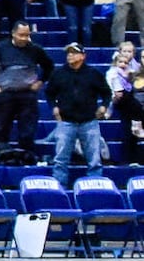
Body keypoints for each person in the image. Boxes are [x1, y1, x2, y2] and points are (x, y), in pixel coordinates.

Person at [45, 43, 112, 187]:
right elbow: (49, 93)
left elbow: (107, 92)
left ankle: (94, 186)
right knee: (60, 158)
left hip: (89, 121)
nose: (70, 55)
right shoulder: (59, 73)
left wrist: (104, 106)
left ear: (83, 56)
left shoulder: (93, 74)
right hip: (66, 121)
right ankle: (59, 186)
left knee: (94, 159)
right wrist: (54, 107)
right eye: (68, 53)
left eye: (74, 53)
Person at [0, 21, 55, 153]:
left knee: (27, 129)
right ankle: (0, 153)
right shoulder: (1, 48)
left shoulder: (35, 49)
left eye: (27, 35)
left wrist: (40, 82)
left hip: (27, 94)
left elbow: (49, 67)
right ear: (13, 34)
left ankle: (26, 155)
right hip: (6, 94)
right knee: (1, 127)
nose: (24, 38)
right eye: (21, 35)